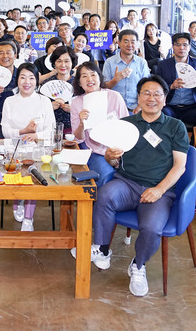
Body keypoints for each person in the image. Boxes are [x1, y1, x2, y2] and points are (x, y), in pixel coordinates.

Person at [79, 75, 188, 297]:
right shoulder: (126, 124)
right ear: (138, 97)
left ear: (165, 99)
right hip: (127, 183)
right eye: (146, 93)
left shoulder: (175, 126)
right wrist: (110, 156)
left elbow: (180, 166)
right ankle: (102, 249)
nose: (151, 98)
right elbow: (114, 162)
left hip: (158, 190)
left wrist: (159, 190)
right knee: (104, 194)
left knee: (152, 228)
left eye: (157, 94)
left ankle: (138, 265)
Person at [1, 63, 55, 232]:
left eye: (31, 78)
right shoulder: (9, 101)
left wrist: (36, 135)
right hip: (15, 148)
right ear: (17, 80)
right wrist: (23, 131)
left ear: (37, 80)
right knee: (16, 171)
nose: (27, 82)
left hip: (38, 148)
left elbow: (51, 129)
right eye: (23, 77)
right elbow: (5, 131)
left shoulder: (44, 101)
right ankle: (17, 201)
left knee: (33, 177)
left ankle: (28, 218)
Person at [70, 62, 129, 180]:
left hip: (119, 148)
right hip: (96, 150)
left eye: (93, 75)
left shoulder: (114, 96)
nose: (89, 79)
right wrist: (82, 124)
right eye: (84, 76)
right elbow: (78, 138)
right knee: (103, 173)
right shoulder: (76, 102)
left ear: (100, 78)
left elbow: (126, 126)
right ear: (79, 83)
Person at [155, 32, 196, 127]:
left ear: (189, 47)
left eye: (185, 45)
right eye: (178, 45)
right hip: (170, 106)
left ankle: (195, 137)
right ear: (173, 47)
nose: (181, 48)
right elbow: (156, 88)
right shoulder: (163, 65)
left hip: (192, 107)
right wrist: (171, 86)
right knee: (162, 116)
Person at [102, 30, 151, 112]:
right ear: (119, 43)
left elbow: (147, 87)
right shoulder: (109, 62)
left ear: (137, 44)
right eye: (126, 41)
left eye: (133, 42)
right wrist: (115, 80)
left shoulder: (142, 62)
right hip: (114, 108)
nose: (129, 45)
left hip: (136, 108)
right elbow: (104, 88)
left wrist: (140, 106)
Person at [41, 46, 77, 133]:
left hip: (74, 130)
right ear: (54, 63)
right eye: (59, 61)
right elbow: (38, 110)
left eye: (67, 61)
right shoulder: (46, 84)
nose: (63, 65)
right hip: (49, 130)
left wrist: (74, 110)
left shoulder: (78, 84)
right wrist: (48, 108)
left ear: (72, 63)